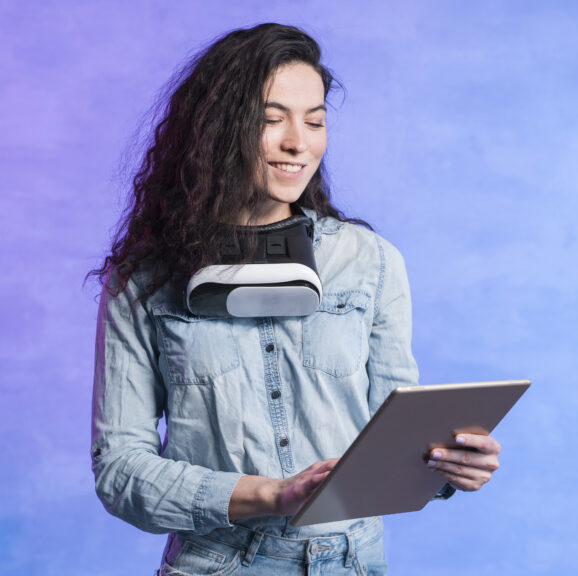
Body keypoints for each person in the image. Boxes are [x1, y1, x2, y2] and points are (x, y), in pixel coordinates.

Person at [90, 23, 501, 575]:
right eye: (271, 118)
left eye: (315, 121)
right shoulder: (141, 281)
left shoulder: (369, 261)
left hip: (353, 562)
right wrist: (270, 495)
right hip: (219, 562)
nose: (298, 143)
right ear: (218, 128)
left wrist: (449, 468)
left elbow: (394, 438)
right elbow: (120, 471)